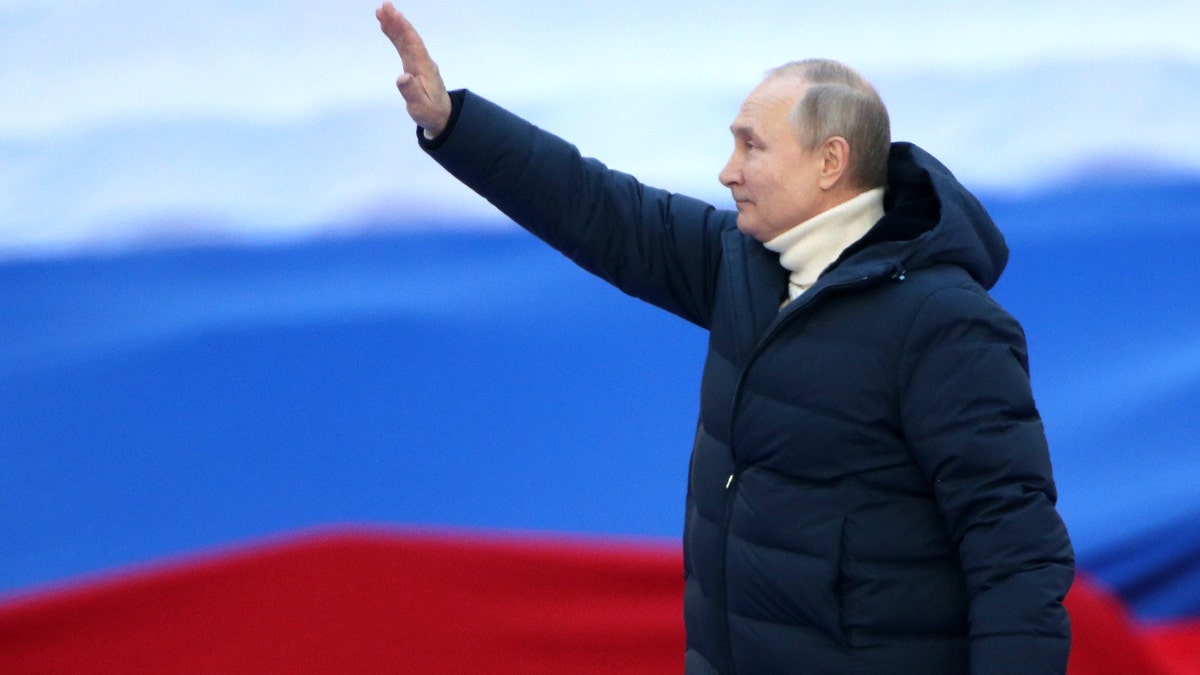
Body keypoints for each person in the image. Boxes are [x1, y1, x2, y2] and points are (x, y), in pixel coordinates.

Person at [375, 4, 1075, 673]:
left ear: (830, 163)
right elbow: (596, 207)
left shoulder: (946, 324)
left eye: (752, 145)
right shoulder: (744, 266)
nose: (727, 170)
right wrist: (452, 123)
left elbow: (1014, 555)